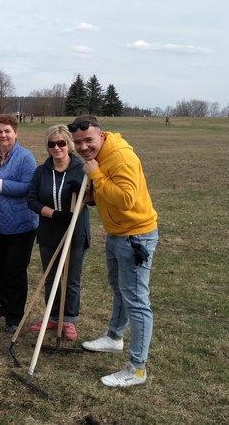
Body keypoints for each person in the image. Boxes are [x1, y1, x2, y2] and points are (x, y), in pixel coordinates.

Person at [69, 114, 159, 387]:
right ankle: (114, 337)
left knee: (136, 301)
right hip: (117, 232)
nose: (83, 147)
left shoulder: (120, 157)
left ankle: (137, 369)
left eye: (88, 140)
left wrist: (95, 174)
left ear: (101, 135)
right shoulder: (100, 156)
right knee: (119, 289)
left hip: (135, 236)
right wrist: (93, 194)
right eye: (78, 143)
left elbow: (126, 199)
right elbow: (110, 191)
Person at [26, 125, 90, 341]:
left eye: (61, 143)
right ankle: (53, 317)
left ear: (69, 145)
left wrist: (85, 192)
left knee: (71, 279)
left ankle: (68, 319)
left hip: (75, 231)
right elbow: (32, 200)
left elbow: (95, 198)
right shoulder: (41, 171)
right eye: (52, 144)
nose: (56, 147)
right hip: (49, 231)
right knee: (51, 277)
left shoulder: (82, 169)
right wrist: (54, 214)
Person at [0, 114, 38, 333]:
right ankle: (4, 306)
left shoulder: (25, 157)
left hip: (21, 225)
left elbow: (28, 188)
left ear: (16, 133)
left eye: (7, 131)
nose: (3, 135)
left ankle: (15, 316)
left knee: (15, 271)